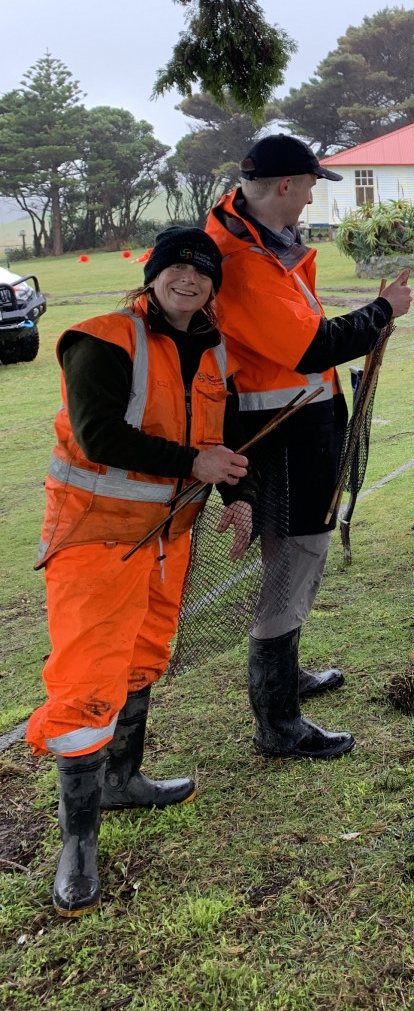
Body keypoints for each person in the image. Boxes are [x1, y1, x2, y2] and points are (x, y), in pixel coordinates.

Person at [27, 228, 252, 917]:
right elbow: (100, 435)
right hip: (96, 541)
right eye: (176, 266)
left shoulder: (211, 348)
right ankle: (79, 845)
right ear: (152, 274)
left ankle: (122, 778)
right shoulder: (103, 339)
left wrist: (237, 494)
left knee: (141, 658)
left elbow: (226, 431)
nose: (189, 277)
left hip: (166, 540)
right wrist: (195, 465)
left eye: (202, 270)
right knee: (87, 682)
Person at [206, 134, 412, 761]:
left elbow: (301, 332)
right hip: (282, 434)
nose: (313, 196)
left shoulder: (260, 242)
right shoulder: (240, 259)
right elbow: (310, 347)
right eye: (311, 185)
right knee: (294, 559)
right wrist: (381, 310)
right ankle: (278, 722)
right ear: (286, 186)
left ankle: (286, 680)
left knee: (295, 560)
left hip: (299, 422)